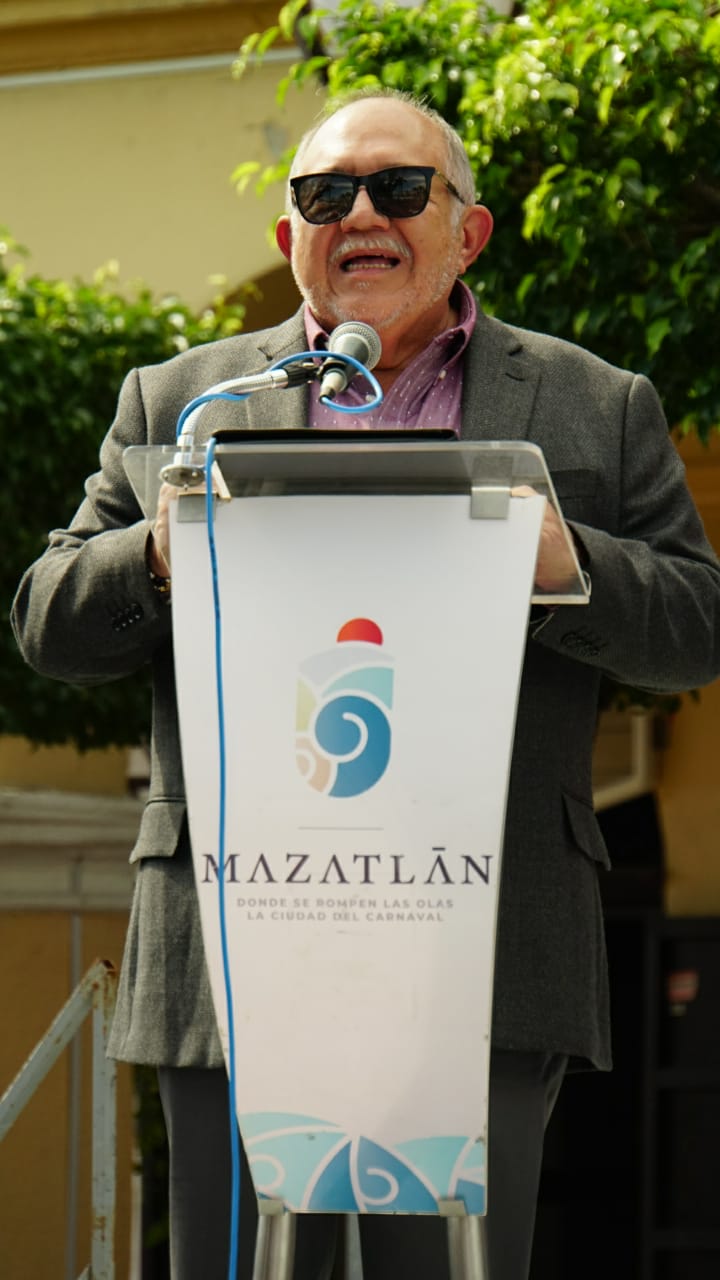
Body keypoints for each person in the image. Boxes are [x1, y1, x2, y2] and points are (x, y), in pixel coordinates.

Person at [11, 88, 720, 1280]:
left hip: (483, 939)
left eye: (398, 188)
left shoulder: (596, 407)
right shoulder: (183, 404)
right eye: (325, 193)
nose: (361, 215)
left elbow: (697, 627)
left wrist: (571, 563)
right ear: (289, 233)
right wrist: (156, 552)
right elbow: (48, 621)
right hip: (234, 942)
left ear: (467, 231)